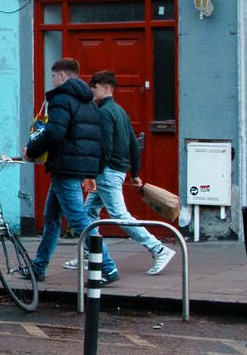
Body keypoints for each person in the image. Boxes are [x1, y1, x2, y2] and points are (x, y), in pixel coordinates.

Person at [73, 70, 176, 276]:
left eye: (94, 87)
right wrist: (135, 173)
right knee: (88, 212)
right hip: (115, 171)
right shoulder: (120, 111)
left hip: (107, 173)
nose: (91, 90)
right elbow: (133, 144)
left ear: (105, 88)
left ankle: (159, 249)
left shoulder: (103, 113)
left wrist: (92, 173)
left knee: (120, 215)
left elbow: (105, 147)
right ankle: (89, 255)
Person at [26, 58, 105, 283]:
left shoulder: (62, 99)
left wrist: (32, 150)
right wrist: (91, 171)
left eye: (53, 76)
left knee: (78, 219)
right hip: (77, 165)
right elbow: (93, 138)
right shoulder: (89, 102)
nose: (52, 80)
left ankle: (107, 266)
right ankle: (38, 267)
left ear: (62, 76)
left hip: (65, 166)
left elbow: (54, 133)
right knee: (51, 219)